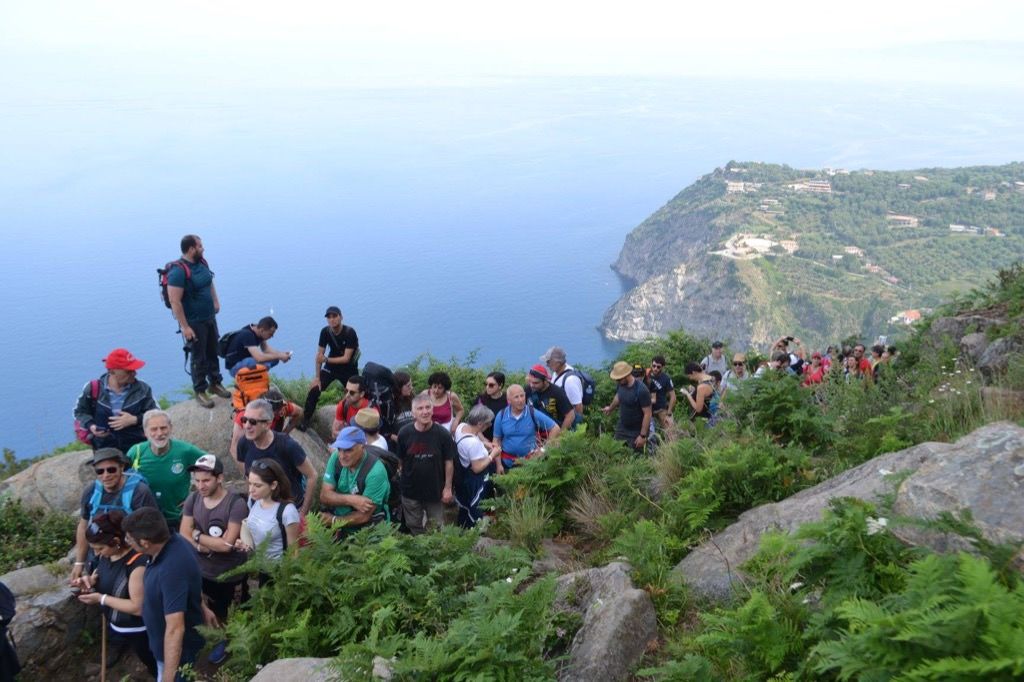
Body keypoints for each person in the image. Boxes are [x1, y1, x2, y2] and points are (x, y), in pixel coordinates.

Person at [178, 454, 249, 666]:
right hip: (201, 570)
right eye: (197, 480)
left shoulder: (235, 504)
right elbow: (183, 531)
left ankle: (228, 642)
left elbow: (226, 545)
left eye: (206, 480)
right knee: (206, 606)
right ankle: (214, 636)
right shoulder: (194, 499)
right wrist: (203, 544)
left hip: (229, 573)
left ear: (220, 478)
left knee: (230, 610)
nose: (200, 485)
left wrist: (198, 536)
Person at [123, 506, 206, 682]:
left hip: (179, 654)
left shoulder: (171, 569)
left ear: (145, 542)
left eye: (129, 538)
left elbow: (175, 628)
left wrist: (169, 677)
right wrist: (202, 605)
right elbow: (192, 581)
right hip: (164, 644)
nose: (126, 541)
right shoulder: (175, 542)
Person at [72, 511, 157, 678]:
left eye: (100, 548)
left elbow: (137, 607)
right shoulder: (107, 556)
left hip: (140, 629)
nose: (97, 553)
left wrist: (101, 599)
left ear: (117, 541)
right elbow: (103, 574)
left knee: (152, 660)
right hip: (119, 626)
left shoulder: (136, 565)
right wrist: (91, 581)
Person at [71, 448, 159, 582]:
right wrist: (79, 563)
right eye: (100, 471)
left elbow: (151, 529)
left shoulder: (139, 492)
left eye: (111, 469)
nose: (105, 475)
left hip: (131, 555)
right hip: (99, 552)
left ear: (122, 467)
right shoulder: (91, 491)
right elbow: (83, 526)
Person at [166, 234, 230, 408]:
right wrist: (185, 327)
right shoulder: (178, 272)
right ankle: (200, 391)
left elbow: (209, 282)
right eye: (200, 246)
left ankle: (215, 382)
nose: (203, 248)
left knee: (213, 350)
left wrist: (216, 301)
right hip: (194, 322)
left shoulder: (202, 263)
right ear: (191, 248)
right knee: (198, 356)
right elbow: (175, 301)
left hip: (209, 317)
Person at [235, 399, 317, 518]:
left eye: (253, 422)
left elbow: (312, 475)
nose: (247, 426)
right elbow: (248, 476)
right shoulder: (244, 444)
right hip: (260, 506)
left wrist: (303, 513)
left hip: (288, 509)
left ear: (267, 424)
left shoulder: (287, 445)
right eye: (244, 420)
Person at [126, 409, 205, 531]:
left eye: (163, 428)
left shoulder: (185, 450)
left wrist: (197, 497)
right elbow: (122, 481)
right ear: (145, 432)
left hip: (179, 519)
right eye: (153, 429)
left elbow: (213, 466)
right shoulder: (136, 452)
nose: (159, 433)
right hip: (147, 521)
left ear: (170, 428)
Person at [74, 348, 158, 453]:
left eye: (134, 370)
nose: (134, 373)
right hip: (104, 449)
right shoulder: (93, 388)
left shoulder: (142, 389)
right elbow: (80, 412)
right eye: (129, 371)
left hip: (138, 448)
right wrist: (91, 426)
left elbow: (156, 415)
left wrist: (135, 419)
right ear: (112, 371)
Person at [396, 391, 456, 534]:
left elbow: (449, 462)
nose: (425, 412)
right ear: (413, 412)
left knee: (436, 526)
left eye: (428, 407)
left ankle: (434, 552)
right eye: (420, 408)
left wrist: (447, 488)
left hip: (435, 489)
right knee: (413, 525)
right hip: (410, 489)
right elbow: (400, 460)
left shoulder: (442, 434)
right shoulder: (404, 433)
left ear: (432, 409)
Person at [319, 427, 391, 538]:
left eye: (348, 450)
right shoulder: (335, 459)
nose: (342, 456)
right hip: (341, 528)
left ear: (362, 446)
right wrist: (352, 500)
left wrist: (333, 520)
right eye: (339, 449)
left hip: (369, 532)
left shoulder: (376, 472)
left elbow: (364, 516)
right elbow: (324, 496)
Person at [300, 306, 360, 430]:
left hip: (348, 369)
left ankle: (356, 423)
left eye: (335, 316)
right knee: (315, 389)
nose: (332, 320)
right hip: (331, 367)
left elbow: (346, 358)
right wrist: (317, 378)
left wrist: (326, 359)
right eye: (329, 317)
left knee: (356, 394)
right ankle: (305, 420)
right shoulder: (325, 332)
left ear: (341, 317)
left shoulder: (350, 333)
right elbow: (319, 356)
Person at [237, 458, 301, 566]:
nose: (251, 490)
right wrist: (245, 544)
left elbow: (294, 552)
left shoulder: (287, 512)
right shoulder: (253, 501)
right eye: (250, 484)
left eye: (257, 485)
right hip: (260, 567)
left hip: (279, 571)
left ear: (273, 485)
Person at [453, 405, 501, 528]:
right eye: (488, 423)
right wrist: (492, 455)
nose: (489, 425)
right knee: (476, 507)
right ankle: (475, 530)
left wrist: (485, 443)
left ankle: (461, 528)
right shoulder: (472, 443)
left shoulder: (461, 427)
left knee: (465, 508)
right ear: (480, 424)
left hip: (462, 478)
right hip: (474, 480)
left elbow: (473, 440)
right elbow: (477, 468)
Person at [493, 384, 560, 469]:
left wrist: (544, 450)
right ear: (509, 400)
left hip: (530, 462)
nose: (520, 400)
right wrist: (498, 465)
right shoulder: (502, 415)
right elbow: (496, 441)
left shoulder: (532, 413)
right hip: (507, 462)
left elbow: (555, 428)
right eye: (516, 397)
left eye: (522, 396)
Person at [228, 388, 304, 462]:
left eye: (273, 413)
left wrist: (285, 432)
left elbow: (299, 412)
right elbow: (233, 448)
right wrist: (248, 473)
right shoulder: (246, 415)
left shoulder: (283, 409)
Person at [602, 361, 652, 452]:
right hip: (622, 427)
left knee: (636, 459)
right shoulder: (621, 384)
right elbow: (618, 397)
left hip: (637, 431)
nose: (617, 381)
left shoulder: (641, 390)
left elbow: (647, 414)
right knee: (616, 452)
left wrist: (642, 436)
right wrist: (610, 408)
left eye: (619, 379)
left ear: (627, 375)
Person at [223, 316, 293, 377]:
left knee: (275, 359)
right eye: (270, 334)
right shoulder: (247, 335)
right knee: (253, 361)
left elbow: (266, 349)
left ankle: (258, 373)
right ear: (262, 330)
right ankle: (259, 373)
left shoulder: (258, 331)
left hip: (246, 361)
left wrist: (281, 354)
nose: (272, 337)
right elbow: (259, 358)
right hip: (234, 367)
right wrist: (279, 356)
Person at [525, 365, 576, 433]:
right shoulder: (528, 390)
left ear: (545, 381)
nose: (532, 385)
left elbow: (570, 415)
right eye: (530, 382)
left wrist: (560, 435)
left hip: (555, 430)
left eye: (536, 383)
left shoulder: (557, 392)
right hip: (536, 432)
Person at [542, 347, 584, 427]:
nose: (547, 365)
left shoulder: (570, 380)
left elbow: (578, 406)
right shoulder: (556, 373)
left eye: (548, 362)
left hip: (568, 422)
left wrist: (576, 426)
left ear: (557, 363)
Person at [474, 372, 507, 442]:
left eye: (491, 385)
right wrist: (483, 440)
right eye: (486, 384)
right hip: (483, 439)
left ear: (500, 385)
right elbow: (474, 422)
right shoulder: (481, 400)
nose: (487, 387)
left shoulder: (508, 400)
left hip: (504, 440)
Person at [648, 355, 677, 435]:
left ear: (663, 367)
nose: (655, 369)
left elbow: (673, 396)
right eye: (653, 366)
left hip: (661, 409)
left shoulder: (666, 379)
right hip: (648, 409)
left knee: (671, 433)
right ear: (651, 364)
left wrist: (669, 412)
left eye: (658, 367)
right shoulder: (646, 375)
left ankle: (671, 447)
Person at [389, 371, 415, 449]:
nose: (411, 387)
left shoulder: (412, 398)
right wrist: (398, 439)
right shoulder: (389, 403)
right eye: (408, 386)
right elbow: (385, 431)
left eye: (411, 384)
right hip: (398, 445)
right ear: (399, 387)